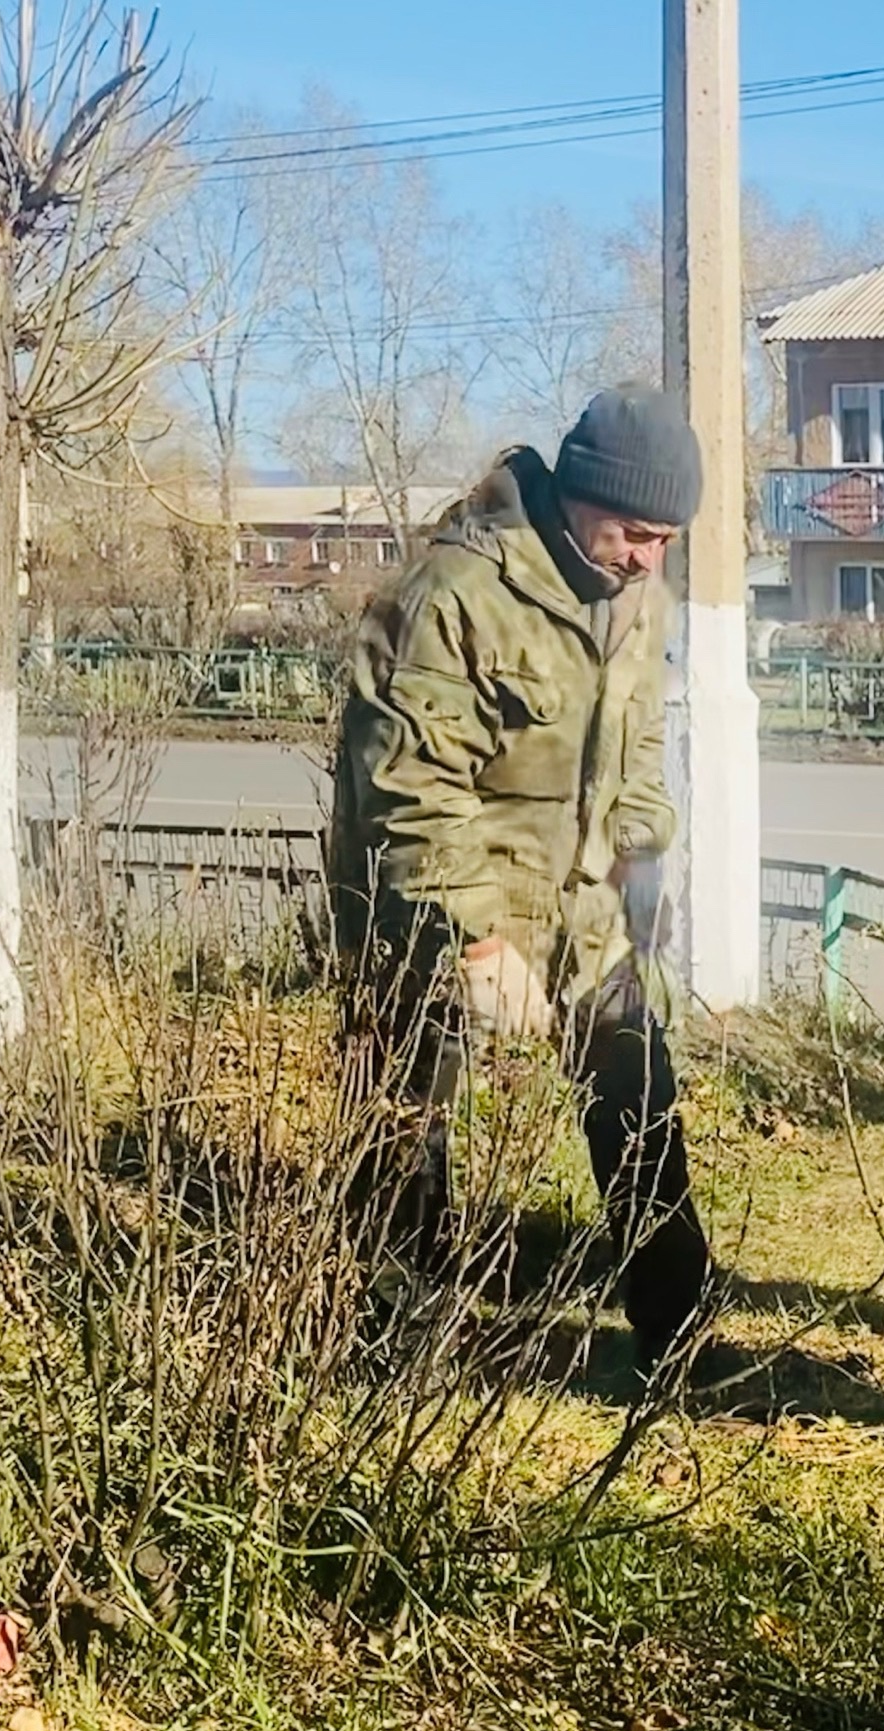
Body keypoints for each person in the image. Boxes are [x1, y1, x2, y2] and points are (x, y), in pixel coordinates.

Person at [329, 382, 712, 1374]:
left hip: (582, 909)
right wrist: (476, 938)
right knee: (401, 1127)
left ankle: (681, 1336)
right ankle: (394, 1342)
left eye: (666, 539)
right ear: (581, 496)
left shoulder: (635, 592)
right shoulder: (453, 596)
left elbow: (635, 739)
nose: (648, 557)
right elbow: (406, 788)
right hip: (429, 909)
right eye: (635, 532)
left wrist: (643, 847)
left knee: (641, 1101)